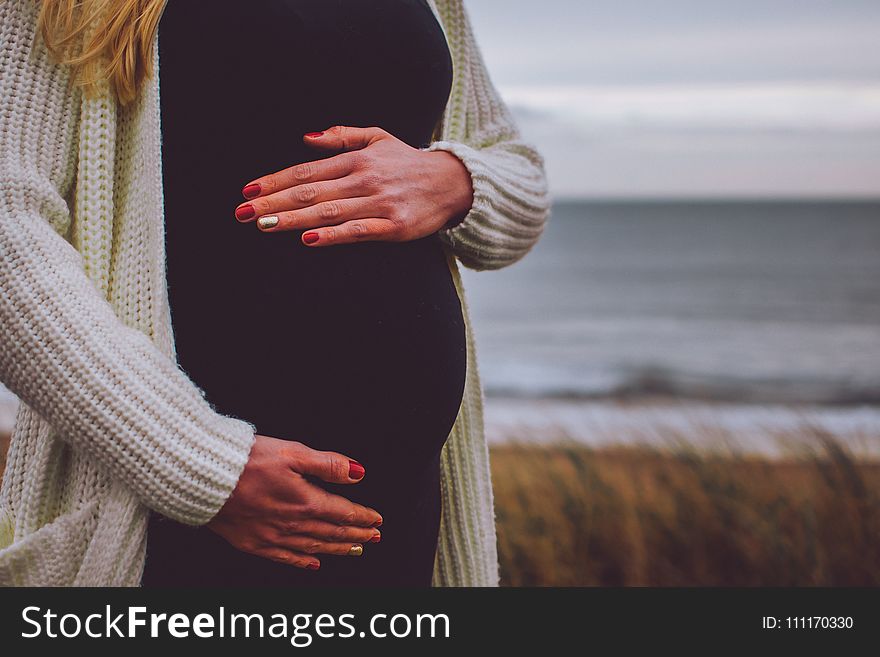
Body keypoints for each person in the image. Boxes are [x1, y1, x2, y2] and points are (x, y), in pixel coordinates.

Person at [0, 0, 550, 587]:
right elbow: (10, 233)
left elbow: (519, 180)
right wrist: (199, 466)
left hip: (398, 516)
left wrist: (455, 181)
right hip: (173, 507)